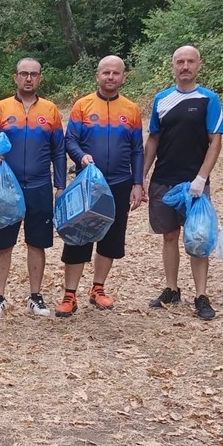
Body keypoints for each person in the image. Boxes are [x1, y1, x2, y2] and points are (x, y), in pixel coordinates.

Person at [55, 55, 145, 316]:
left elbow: (137, 150)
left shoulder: (131, 109)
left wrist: (138, 182)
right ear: (97, 76)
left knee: (111, 238)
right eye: (106, 72)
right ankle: (69, 294)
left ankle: (98, 288)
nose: (110, 77)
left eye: (116, 73)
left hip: (119, 182)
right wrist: (81, 156)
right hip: (88, 183)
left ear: (123, 77)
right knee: (78, 237)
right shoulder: (82, 106)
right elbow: (70, 140)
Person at [143, 45, 223, 321]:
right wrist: (142, 176)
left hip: (195, 183)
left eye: (190, 61)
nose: (185, 66)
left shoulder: (209, 99)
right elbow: (153, 139)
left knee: (198, 238)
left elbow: (216, 141)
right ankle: (172, 289)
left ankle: (201, 295)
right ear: (173, 66)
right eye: (180, 62)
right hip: (164, 179)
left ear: (199, 65)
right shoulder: (161, 99)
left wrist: (201, 178)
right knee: (169, 236)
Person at [0, 57, 67, 319]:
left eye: (34, 74)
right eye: (23, 74)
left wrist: (60, 185)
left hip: (40, 185)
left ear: (40, 78)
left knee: (37, 243)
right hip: (8, 188)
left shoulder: (50, 110)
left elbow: (59, 150)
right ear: (15, 77)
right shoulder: (1, 108)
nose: (28, 78)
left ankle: (35, 296)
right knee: (4, 244)